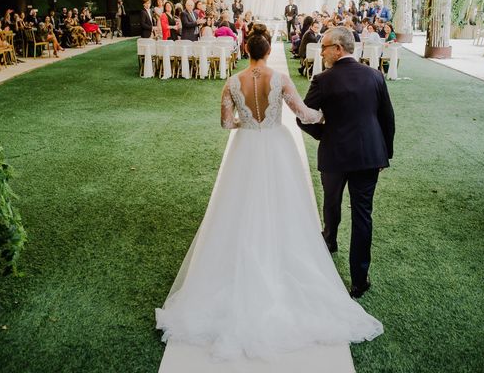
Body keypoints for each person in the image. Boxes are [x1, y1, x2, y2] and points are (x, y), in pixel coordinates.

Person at [155, 23, 382, 360]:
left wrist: (246, 124)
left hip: (245, 148)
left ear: (247, 51)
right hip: (276, 146)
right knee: (285, 207)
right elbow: (305, 113)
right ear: (266, 50)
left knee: (238, 206)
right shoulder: (280, 80)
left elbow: (225, 123)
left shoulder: (232, 82)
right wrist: (334, 117)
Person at [298, 26, 395, 299]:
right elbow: (387, 119)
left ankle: (329, 240)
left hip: (335, 154)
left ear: (338, 49)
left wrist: (324, 136)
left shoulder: (323, 80)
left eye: (325, 47)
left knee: (332, 202)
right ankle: (359, 279)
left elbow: (303, 117)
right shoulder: (376, 76)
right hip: (369, 156)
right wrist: (384, 154)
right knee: (363, 215)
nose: (323, 52)